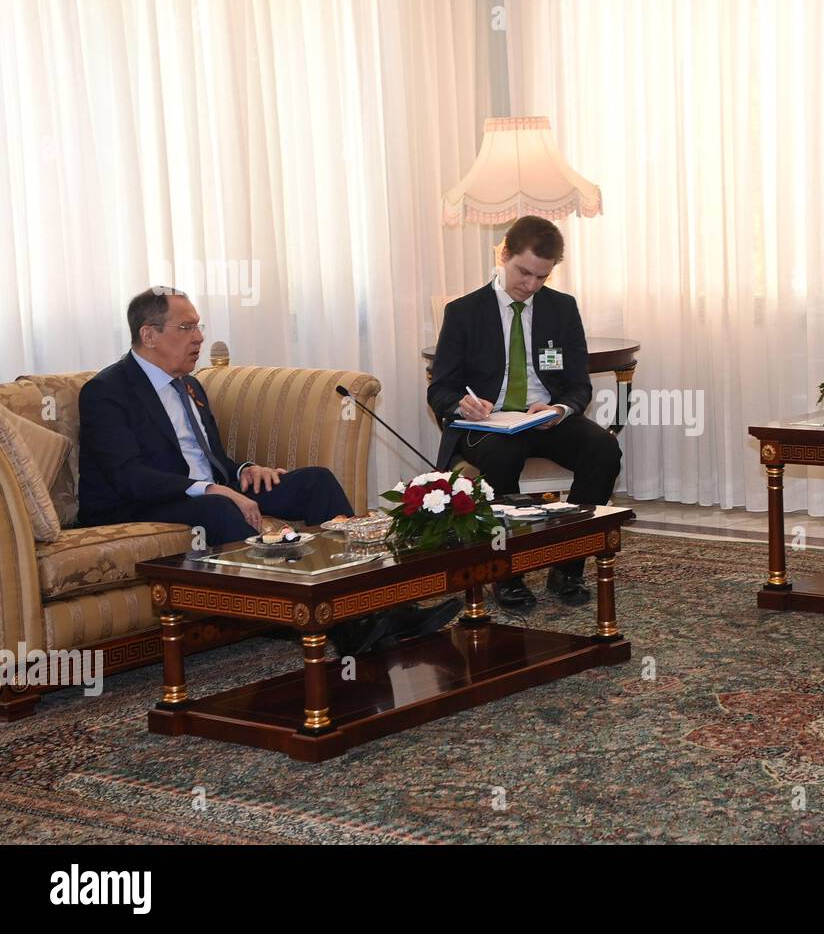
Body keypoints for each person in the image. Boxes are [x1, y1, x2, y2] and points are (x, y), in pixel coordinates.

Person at [79, 287, 457, 655]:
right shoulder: (108, 391)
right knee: (221, 507)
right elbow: (129, 476)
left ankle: (380, 606)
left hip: (205, 490)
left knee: (315, 482)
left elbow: (209, 459)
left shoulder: (190, 385)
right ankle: (330, 622)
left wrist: (244, 470)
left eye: (199, 326)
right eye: (186, 328)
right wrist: (213, 490)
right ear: (149, 334)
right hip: (143, 503)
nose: (199, 337)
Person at [427, 216, 622, 607]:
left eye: (541, 278)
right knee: (503, 457)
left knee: (604, 450)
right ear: (504, 254)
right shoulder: (464, 312)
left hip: (543, 418)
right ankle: (506, 573)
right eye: (523, 272)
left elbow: (579, 384)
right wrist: (460, 403)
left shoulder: (562, 309)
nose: (529, 285)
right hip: (489, 424)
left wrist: (560, 408)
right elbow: (441, 387)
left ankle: (568, 566)